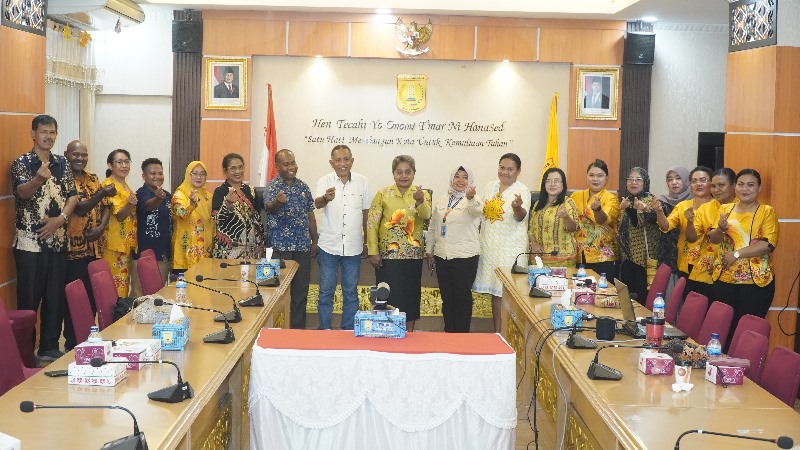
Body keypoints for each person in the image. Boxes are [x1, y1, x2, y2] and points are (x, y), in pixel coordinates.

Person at [11, 115, 77, 361]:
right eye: (43, 132)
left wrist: (61, 219)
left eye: (52, 132)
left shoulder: (62, 162)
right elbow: (22, 192)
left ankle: (49, 347)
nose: (48, 136)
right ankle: (25, 354)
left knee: (55, 297)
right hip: (30, 244)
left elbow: (72, 195)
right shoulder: (21, 163)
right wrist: (38, 178)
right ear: (33, 134)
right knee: (29, 301)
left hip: (58, 242)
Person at [708, 169, 777, 346]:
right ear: (735, 187)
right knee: (723, 329)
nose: (745, 189)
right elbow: (714, 239)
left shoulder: (766, 211)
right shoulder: (725, 209)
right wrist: (721, 229)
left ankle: (744, 363)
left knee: (747, 331)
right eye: (741, 184)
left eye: (750, 185)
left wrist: (736, 254)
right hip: (725, 279)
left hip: (755, 283)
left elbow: (768, 244)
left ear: (759, 188)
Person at [367, 155, 431, 332]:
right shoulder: (382, 194)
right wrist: (373, 251)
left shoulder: (422, 194)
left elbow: (426, 215)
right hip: (387, 257)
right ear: (393, 173)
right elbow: (372, 224)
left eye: (408, 172)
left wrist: (420, 201)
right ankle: (388, 332)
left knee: (410, 297)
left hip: (413, 256)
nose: (403, 176)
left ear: (414, 173)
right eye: (399, 172)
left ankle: (409, 335)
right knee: (387, 296)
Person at [64, 140, 114, 349]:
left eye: (84, 155)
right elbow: (80, 208)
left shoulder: (93, 177)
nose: (80, 158)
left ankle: (89, 338)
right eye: (76, 154)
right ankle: (72, 342)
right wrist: (101, 193)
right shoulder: (63, 178)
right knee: (75, 298)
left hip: (95, 249)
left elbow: (107, 206)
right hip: (73, 251)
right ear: (66, 155)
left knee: (93, 298)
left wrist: (101, 228)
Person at [314, 145, 370, 330]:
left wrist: (366, 241)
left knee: (350, 292)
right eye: (338, 160)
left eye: (346, 159)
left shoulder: (363, 182)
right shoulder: (324, 181)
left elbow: (366, 213)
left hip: (353, 247)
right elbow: (317, 204)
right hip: (328, 246)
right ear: (332, 163)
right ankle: (325, 330)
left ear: (352, 161)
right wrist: (326, 198)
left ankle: (347, 331)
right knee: (326, 292)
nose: (342, 164)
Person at [473, 153, 530, 333]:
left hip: (510, 249)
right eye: (502, 168)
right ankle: (498, 333)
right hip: (489, 247)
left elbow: (521, 217)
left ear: (518, 171)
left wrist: (517, 207)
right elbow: (480, 214)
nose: (505, 172)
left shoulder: (523, 190)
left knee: (507, 293)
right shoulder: (490, 186)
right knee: (496, 294)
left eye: (510, 169)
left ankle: (510, 336)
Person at [265, 149, 318, 329]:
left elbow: (310, 214)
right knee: (278, 293)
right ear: (277, 166)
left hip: (302, 247)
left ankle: (297, 331)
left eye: (293, 162)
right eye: (286, 164)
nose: (291, 167)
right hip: (280, 248)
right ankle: (277, 332)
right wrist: (278, 202)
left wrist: (314, 240)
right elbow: (269, 209)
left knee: (300, 293)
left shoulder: (303, 187)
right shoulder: (272, 187)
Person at [426, 165, 482, 333]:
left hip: (465, 258)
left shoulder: (475, 199)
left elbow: (476, 211)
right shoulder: (443, 199)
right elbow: (433, 227)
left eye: (465, 177)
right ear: (452, 179)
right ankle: (449, 334)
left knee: (462, 299)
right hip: (442, 256)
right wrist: (429, 249)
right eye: (457, 176)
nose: (460, 180)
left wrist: (470, 198)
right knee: (447, 299)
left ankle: (462, 337)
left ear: (470, 181)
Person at [684, 168, 737, 301]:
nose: (716, 190)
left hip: (732, 272)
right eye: (713, 186)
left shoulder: (742, 208)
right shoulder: (705, 208)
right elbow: (691, 238)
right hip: (705, 272)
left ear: (734, 185)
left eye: (721, 185)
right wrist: (689, 222)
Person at [655, 166, 714, 282]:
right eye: (694, 181)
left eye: (702, 180)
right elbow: (665, 227)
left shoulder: (720, 206)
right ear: (690, 185)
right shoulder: (683, 206)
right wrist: (659, 211)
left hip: (710, 267)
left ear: (711, 183)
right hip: (686, 265)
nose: (698, 184)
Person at [571, 159, 620, 282]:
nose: (595, 179)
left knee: (602, 292)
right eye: (591, 175)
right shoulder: (575, 196)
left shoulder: (611, 199)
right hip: (578, 257)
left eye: (600, 176)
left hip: (603, 259)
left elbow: (603, 220)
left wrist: (597, 209)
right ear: (587, 177)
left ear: (606, 178)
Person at [617, 167, 660, 303]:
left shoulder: (651, 200)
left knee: (641, 300)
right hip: (626, 258)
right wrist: (626, 208)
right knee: (626, 300)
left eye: (638, 179)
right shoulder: (626, 200)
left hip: (643, 260)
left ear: (645, 182)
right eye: (630, 179)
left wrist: (638, 209)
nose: (633, 182)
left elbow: (642, 223)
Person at [211, 153, 265, 259]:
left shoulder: (250, 190)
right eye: (233, 168)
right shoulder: (220, 191)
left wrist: (261, 243)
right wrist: (228, 204)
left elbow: (257, 219)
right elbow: (216, 220)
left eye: (240, 167)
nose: (238, 171)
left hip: (251, 249)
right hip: (228, 250)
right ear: (225, 171)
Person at [132, 158, 172, 293]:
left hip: (163, 254)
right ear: (144, 176)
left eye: (160, 173)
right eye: (153, 173)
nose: (157, 176)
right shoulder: (141, 193)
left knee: (158, 294)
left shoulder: (167, 195)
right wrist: (158, 199)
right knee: (140, 295)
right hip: (144, 255)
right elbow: (148, 206)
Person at [101, 149, 138, 298]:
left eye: (127, 162)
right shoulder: (109, 185)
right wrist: (130, 204)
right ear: (110, 165)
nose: (124, 166)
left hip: (125, 244)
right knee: (114, 289)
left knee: (123, 287)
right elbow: (120, 215)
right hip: (114, 244)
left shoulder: (124, 185)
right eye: (120, 162)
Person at [529, 168, 579, 268]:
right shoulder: (538, 204)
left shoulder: (568, 202)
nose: (552, 184)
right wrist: (533, 243)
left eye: (556, 181)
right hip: (538, 259)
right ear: (544, 184)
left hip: (563, 260)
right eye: (548, 181)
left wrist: (566, 216)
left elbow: (574, 228)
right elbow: (531, 229)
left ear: (563, 184)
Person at [171, 161, 214, 272]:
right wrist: (192, 205)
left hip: (205, 253)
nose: (198, 177)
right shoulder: (180, 194)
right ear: (188, 175)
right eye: (194, 173)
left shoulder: (209, 197)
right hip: (186, 255)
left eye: (202, 174)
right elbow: (181, 214)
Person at [655, 166, 691, 284]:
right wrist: (657, 210)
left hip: (690, 256)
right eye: (670, 179)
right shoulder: (662, 201)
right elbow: (664, 226)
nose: (674, 182)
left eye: (678, 178)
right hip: (668, 253)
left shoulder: (695, 202)